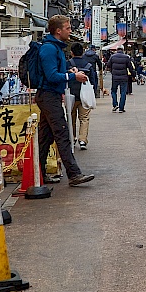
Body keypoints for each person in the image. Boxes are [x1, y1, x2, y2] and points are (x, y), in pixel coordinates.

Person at [36, 16, 95, 186]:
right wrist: (72, 76)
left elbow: (54, 72)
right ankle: (74, 174)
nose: (70, 31)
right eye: (68, 28)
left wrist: (69, 70)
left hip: (50, 95)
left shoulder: (55, 48)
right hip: (48, 96)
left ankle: (39, 173)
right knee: (62, 134)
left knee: (45, 137)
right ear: (58, 30)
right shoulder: (49, 49)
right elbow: (52, 76)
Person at [68, 41, 97, 150]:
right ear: (82, 52)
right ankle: (82, 140)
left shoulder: (68, 64)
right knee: (84, 118)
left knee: (71, 117)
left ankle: (72, 138)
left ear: (71, 52)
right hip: (84, 96)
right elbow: (94, 82)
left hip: (71, 95)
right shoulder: (88, 65)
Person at [106, 47, 135, 113]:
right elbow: (130, 68)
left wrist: (112, 71)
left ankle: (115, 104)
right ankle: (121, 108)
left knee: (113, 91)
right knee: (123, 92)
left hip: (115, 77)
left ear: (117, 50)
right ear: (123, 50)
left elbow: (108, 65)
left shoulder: (112, 57)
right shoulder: (126, 57)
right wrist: (133, 75)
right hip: (124, 77)